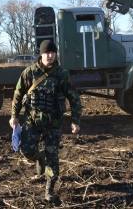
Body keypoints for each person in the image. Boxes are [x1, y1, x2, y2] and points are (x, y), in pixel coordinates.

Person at [9, 40, 82, 202]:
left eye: (52, 52)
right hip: (32, 121)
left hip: (53, 124)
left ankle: (49, 191)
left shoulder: (62, 74)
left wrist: (75, 121)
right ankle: (39, 158)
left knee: (53, 159)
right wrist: (14, 116)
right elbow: (18, 94)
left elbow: (74, 98)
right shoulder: (29, 73)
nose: (50, 55)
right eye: (47, 52)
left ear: (56, 54)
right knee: (26, 150)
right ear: (41, 54)